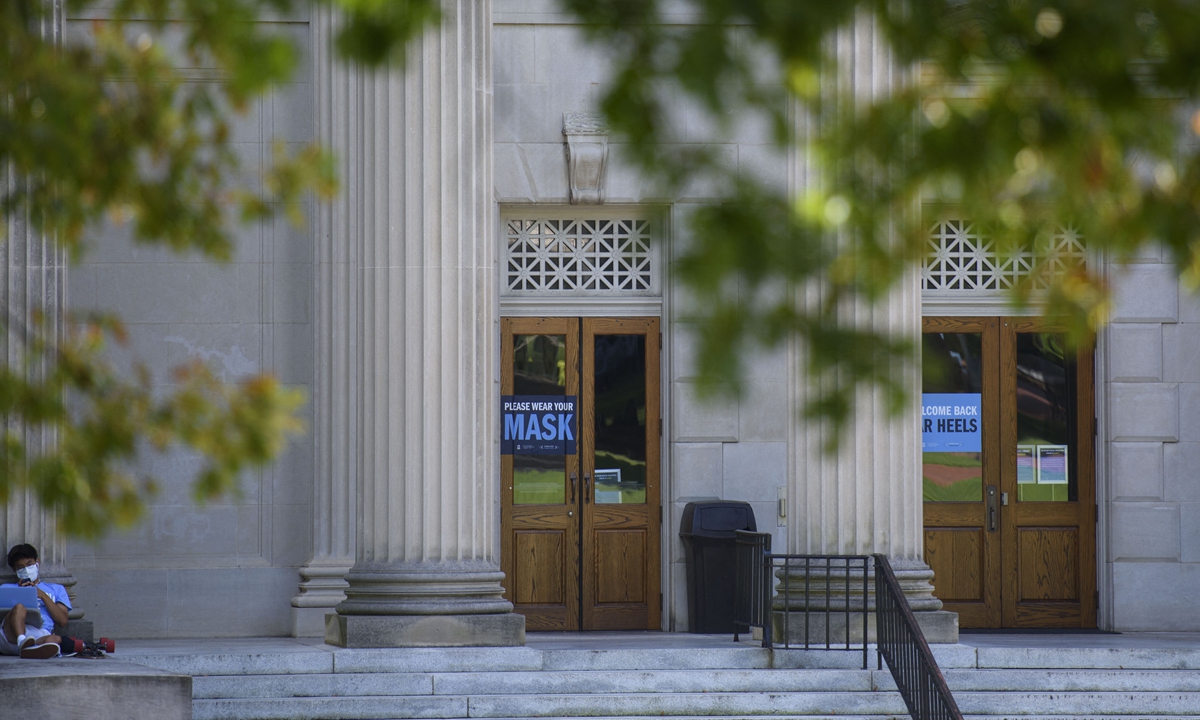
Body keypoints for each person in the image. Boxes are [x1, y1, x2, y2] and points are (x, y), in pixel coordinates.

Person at [0, 543, 71, 658]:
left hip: (39, 633)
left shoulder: (56, 589)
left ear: (37, 562)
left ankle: (29, 650)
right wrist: (22, 593)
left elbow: (62, 621)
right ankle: (22, 642)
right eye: (20, 567)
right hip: (10, 635)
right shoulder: (6, 588)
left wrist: (42, 595)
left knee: (55, 639)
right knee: (19, 608)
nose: (26, 570)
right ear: (14, 570)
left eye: (29, 564)